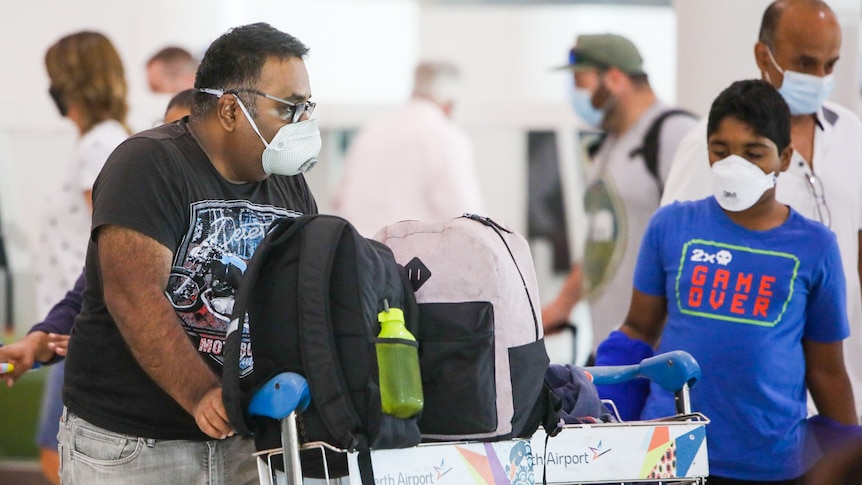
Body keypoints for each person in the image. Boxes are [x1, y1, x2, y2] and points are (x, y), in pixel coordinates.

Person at [58, 23, 319, 484]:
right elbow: (134, 296)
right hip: (136, 445)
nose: (302, 124)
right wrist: (201, 393)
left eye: (307, 108)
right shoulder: (146, 164)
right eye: (289, 108)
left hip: (246, 439)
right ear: (230, 110)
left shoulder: (287, 183)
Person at [599, 79, 857, 483]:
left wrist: (848, 459)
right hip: (667, 453)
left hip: (770, 462)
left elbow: (827, 371)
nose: (734, 165)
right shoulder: (671, 226)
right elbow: (638, 329)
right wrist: (607, 412)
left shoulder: (815, 247)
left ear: (784, 157)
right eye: (721, 151)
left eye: (754, 153)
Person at [660, 0, 862, 420]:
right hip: (750, 397)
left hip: (840, 375)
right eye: (806, 63)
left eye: (830, 65)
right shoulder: (708, 147)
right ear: (763, 56)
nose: (820, 78)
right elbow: (673, 265)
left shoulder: (851, 134)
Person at [541, 34, 698, 355]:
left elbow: (695, 242)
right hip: (609, 346)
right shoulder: (607, 146)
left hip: (656, 350)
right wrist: (562, 306)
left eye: (579, 81)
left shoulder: (675, 133)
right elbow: (599, 242)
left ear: (613, 78)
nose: (575, 94)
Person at [29, 31, 132, 485]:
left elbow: (117, 244)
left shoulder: (99, 146)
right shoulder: (96, 142)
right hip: (69, 326)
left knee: (60, 457)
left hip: (79, 328)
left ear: (74, 82)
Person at [332, 61, 483, 237]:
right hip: (411, 257)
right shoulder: (445, 136)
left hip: (361, 251)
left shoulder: (372, 130)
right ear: (451, 103)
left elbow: (339, 200)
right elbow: (465, 214)